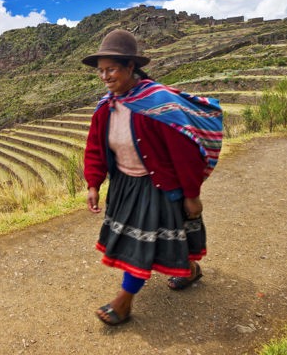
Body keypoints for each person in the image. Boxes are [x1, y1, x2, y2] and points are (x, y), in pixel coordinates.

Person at [82, 29, 223, 326]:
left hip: (155, 186)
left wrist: (191, 194)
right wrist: (93, 183)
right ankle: (190, 270)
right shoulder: (105, 107)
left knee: (140, 245)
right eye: (101, 71)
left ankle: (123, 303)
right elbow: (95, 147)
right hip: (124, 185)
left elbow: (183, 154)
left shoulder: (157, 105)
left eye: (111, 69)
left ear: (130, 67)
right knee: (161, 238)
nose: (105, 76)